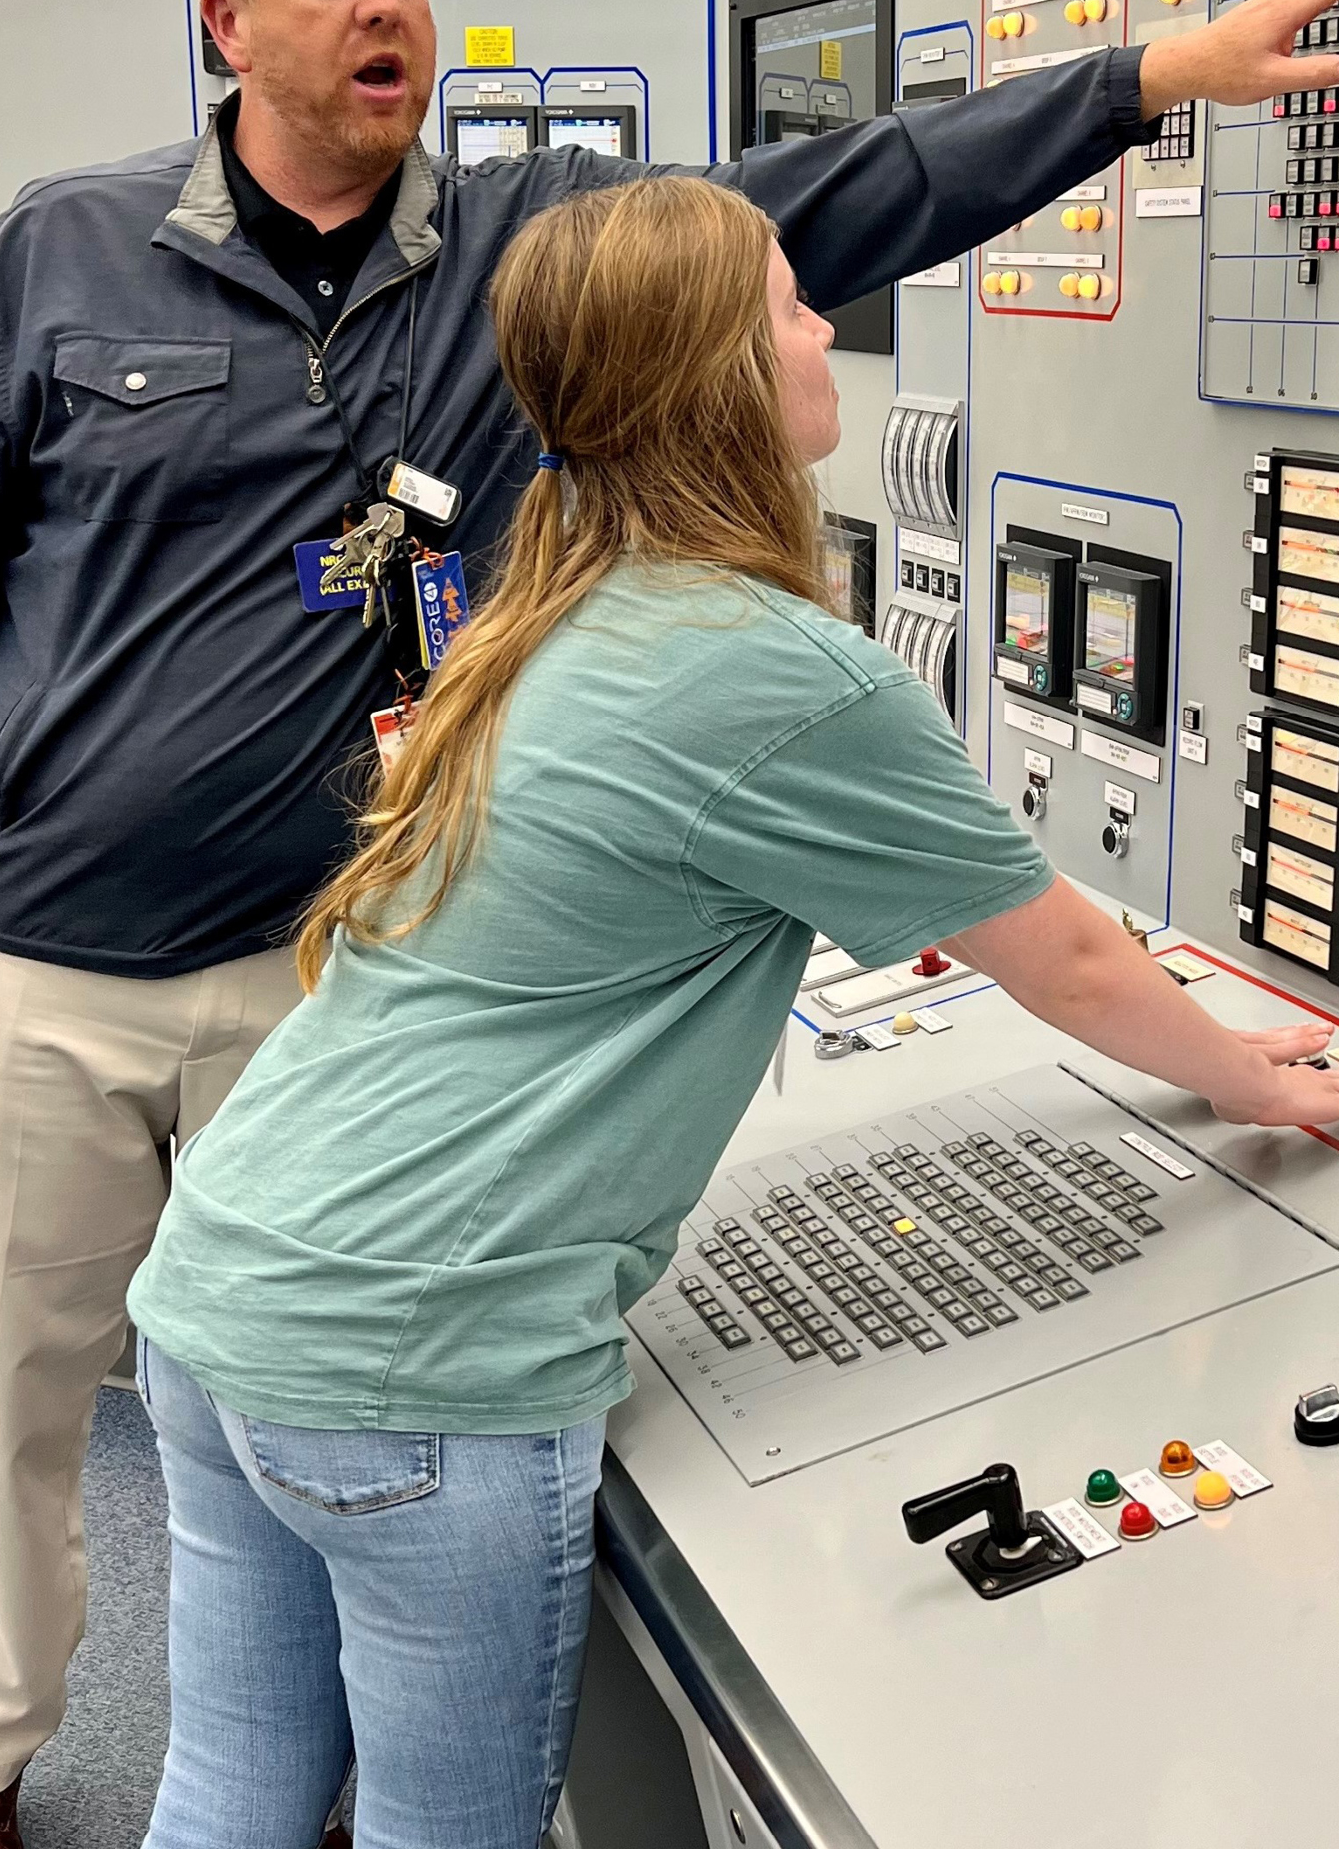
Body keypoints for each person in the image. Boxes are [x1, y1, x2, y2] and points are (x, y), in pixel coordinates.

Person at [0, 0, 1339, 1849]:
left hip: (313, 1004)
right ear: (222, 22)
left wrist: (1139, 84)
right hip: (38, 960)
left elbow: (854, 184)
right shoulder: (55, 249)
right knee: (10, 1428)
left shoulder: (522, 259)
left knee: (242, 1703)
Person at [123, 175, 1339, 1849]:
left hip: (223, 1288)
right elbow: (1064, 958)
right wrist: (1264, 1084)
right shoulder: (778, 667)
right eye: (790, 302)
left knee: (233, 1792)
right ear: (716, 374)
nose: (827, 328)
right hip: (417, 1369)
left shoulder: (559, 598)